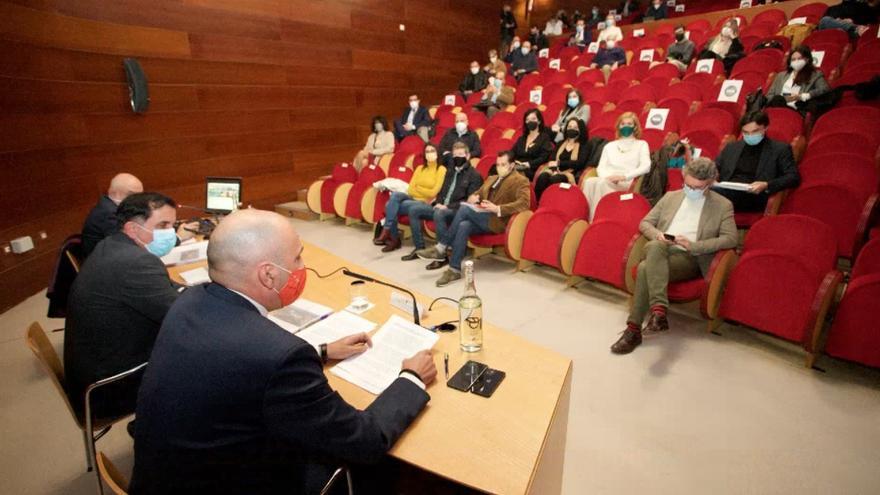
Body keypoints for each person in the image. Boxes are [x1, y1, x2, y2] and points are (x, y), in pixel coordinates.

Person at [130, 209, 437, 494]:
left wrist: (324, 351)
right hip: (229, 481)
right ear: (269, 275)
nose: (305, 267)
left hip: (163, 477)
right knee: (385, 471)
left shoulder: (191, 300)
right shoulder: (279, 356)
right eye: (298, 258)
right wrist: (411, 378)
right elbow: (364, 440)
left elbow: (236, 368)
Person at [64, 192, 184, 421]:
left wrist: (188, 290)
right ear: (133, 229)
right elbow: (181, 316)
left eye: (173, 224)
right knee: (202, 357)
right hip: (110, 388)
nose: (171, 232)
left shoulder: (113, 245)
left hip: (95, 369)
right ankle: (163, 431)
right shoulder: (136, 263)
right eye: (163, 225)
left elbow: (166, 288)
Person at [610, 158, 737, 354]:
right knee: (655, 246)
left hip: (690, 256)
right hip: (661, 247)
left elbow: (730, 239)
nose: (691, 189)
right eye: (688, 184)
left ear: (710, 183)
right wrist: (658, 235)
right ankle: (657, 312)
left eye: (697, 187)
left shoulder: (723, 205)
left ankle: (636, 328)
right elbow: (645, 223)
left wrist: (694, 245)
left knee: (644, 268)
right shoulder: (671, 197)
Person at [415, 151, 530, 287]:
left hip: (498, 220)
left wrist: (498, 208)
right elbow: (478, 193)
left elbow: (524, 203)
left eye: (503, 164)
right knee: (464, 225)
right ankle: (454, 269)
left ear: (511, 165)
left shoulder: (520, 180)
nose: (499, 167)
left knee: (464, 209)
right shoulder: (492, 178)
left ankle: (441, 247)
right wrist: (473, 197)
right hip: (482, 215)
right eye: (498, 164)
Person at [401, 142, 484, 261]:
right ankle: (419, 248)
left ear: (467, 156)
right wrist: (437, 202)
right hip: (443, 206)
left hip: (457, 210)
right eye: (455, 155)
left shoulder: (474, 175)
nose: (457, 157)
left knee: (439, 213)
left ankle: (442, 254)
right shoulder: (449, 172)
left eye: (460, 154)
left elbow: (469, 201)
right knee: (414, 210)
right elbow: (442, 192)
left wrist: (447, 206)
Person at [712, 111, 800, 212]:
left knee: (708, 194)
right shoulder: (732, 147)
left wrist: (767, 185)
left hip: (755, 196)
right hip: (727, 190)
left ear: (765, 128)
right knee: (701, 188)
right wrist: (711, 178)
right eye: (745, 132)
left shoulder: (780, 149)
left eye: (755, 131)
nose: (750, 135)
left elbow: (793, 177)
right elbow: (714, 167)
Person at [374, 144, 447, 252]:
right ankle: (388, 230)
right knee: (395, 195)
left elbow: (434, 192)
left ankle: (393, 238)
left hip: (425, 202)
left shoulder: (441, 169)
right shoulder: (419, 168)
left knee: (389, 206)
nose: (430, 153)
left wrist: (419, 188)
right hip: (412, 198)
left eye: (432, 150)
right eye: (427, 151)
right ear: (424, 154)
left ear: (437, 153)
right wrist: (421, 190)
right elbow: (410, 189)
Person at [582, 112, 651, 220]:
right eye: (623, 124)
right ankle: (587, 218)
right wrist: (609, 177)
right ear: (619, 126)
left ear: (635, 126)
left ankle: (598, 219)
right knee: (589, 182)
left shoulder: (642, 144)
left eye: (629, 123)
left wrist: (623, 177)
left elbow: (646, 166)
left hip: (628, 181)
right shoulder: (609, 146)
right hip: (608, 179)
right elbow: (601, 167)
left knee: (600, 184)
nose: (626, 126)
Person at [81, 173, 144, 258]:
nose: (138, 200)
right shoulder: (108, 213)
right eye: (132, 195)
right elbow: (125, 245)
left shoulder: (109, 205)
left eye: (140, 196)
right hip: (103, 263)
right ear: (115, 192)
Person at [534, 119, 591, 201]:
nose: (571, 129)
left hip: (570, 173)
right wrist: (554, 169)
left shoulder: (584, 145)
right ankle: (539, 203)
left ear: (580, 130)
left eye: (575, 128)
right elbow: (552, 159)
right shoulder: (560, 143)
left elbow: (579, 163)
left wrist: (559, 163)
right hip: (555, 171)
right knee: (543, 176)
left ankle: (551, 203)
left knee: (555, 179)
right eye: (569, 127)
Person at [766, 46, 830, 113]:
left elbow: (825, 89)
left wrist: (802, 96)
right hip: (777, 105)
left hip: (797, 110)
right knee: (777, 100)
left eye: (799, 59)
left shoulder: (815, 75)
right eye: (793, 59)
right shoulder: (781, 75)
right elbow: (769, 96)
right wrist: (783, 98)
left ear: (807, 60)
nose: (796, 61)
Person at [510, 108, 554, 181]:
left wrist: (529, 164)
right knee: (497, 168)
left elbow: (544, 157)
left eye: (533, 119)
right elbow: (511, 153)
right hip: (519, 166)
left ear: (539, 121)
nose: (530, 121)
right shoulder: (522, 138)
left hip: (532, 169)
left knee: (515, 173)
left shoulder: (544, 137)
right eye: (527, 120)